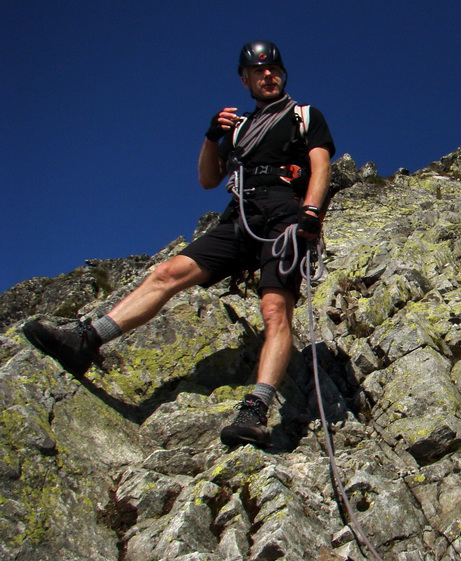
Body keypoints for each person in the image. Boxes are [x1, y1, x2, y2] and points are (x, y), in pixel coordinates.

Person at [22, 40, 335, 448]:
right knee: (169, 272)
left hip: (284, 215)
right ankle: (87, 340)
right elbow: (208, 179)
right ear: (245, 80)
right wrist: (211, 136)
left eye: (274, 69)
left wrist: (310, 212)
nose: (268, 75)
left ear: (283, 74)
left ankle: (256, 410)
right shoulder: (237, 129)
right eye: (259, 71)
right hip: (239, 215)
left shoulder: (303, 115)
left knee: (275, 309)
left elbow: (320, 163)